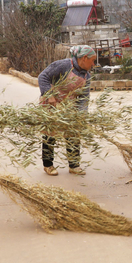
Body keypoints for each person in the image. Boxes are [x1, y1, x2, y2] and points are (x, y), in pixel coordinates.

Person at [38, 45, 96, 176]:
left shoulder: (87, 76)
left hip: (69, 106)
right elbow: (43, 77)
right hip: (51, 104)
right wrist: (49, 95)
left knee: (74, 132)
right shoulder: (63, 65)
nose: (93, 64)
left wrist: (82, 115)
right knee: (50, 134)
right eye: (92, 60)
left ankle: (74, 165)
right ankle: (48, 165)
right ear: (84, 58)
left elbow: (83, 98)